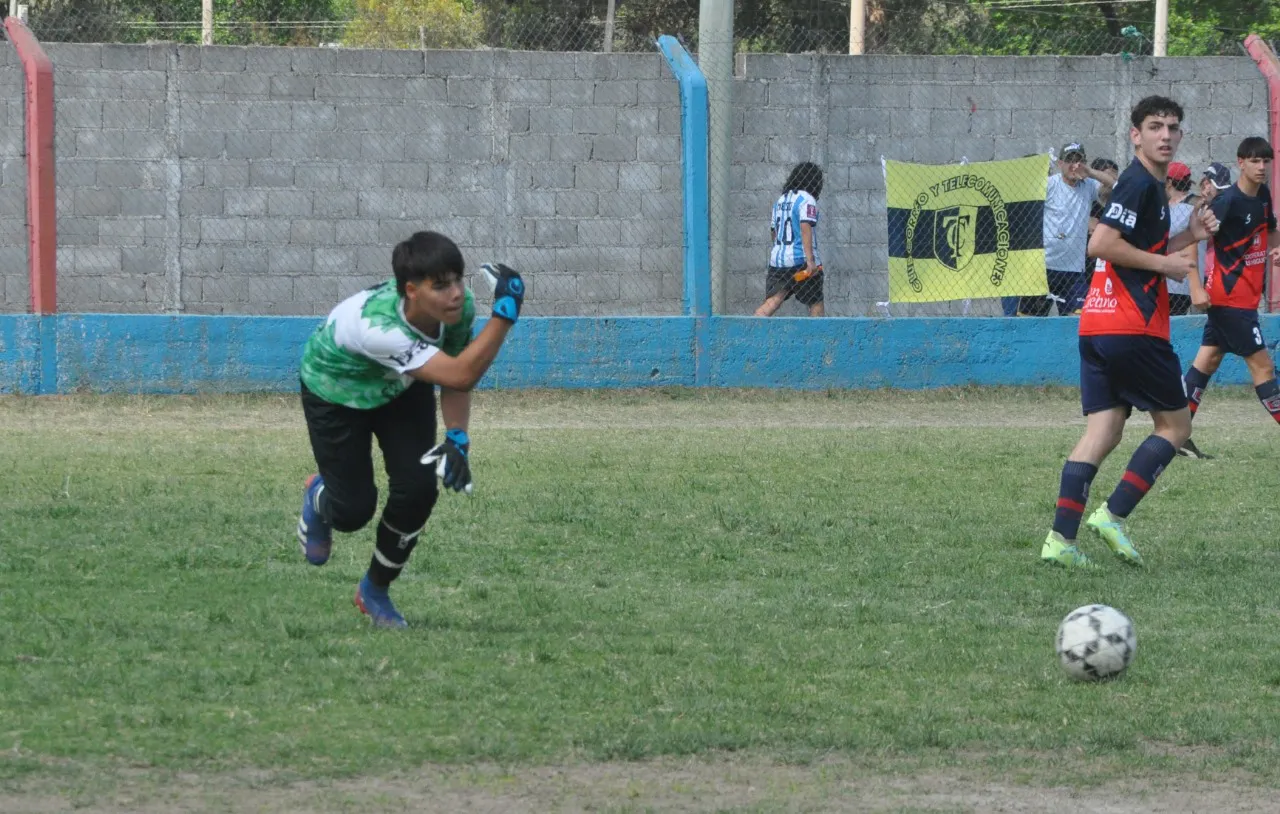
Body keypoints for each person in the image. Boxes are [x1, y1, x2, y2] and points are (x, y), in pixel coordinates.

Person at [295, 231, 525, 628]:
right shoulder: (378, 327)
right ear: (411, 290)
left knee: (419, 488)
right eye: (441, 286)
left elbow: (455, 375)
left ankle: (375, 590)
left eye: (457, 280)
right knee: (353, 512)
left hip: (400, 386)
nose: (456, 293)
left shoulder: (458, 309)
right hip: (337, 392)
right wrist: (504, 315)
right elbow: (463, 371)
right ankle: (320, 494)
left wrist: (457, 437)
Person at [1040, 96, 1218, 569]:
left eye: (1173, 128)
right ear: (1135, 135)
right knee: (1177, 426)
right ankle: (1112, 516)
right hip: (1133, 326)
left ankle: (1060, 540)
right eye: (1155, 126)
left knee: (1103, 430)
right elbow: (1101, 243)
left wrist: (1190, 239)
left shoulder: (1147, 188)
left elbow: (1140, 247)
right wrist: (1165, 263)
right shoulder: (1138, 183)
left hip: (1096, 324)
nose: (1165, 134)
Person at [1178, 138, 1280, 460]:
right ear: (1241, 162)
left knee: (1206, 362)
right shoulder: (1227, 202)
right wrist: (1195, 286)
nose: (1262, 167)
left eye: (1266, 161)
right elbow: (1190, 239)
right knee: (1263, 369)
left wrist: (1276, 248)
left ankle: (1176, 435)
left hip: (1244, 300)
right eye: (1254, 161)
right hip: (1228, 301)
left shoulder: (1262, 196)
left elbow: (1272, 230)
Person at [1019, 142, 1116, 316]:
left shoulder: (1088, 186)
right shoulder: (1049, 185)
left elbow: (1116, 186)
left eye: (1079, 160)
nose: (1074, 165)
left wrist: (1090, 172)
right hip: (1044, 267)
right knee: (1029, 321)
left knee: (1077, 322)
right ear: (1060, 163)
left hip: (1073, 270)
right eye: (1069, 160)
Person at [756, 162, 825, 317]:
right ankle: (819, 338)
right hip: (801, 261)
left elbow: (774, 231)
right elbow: (805, 226)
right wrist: (810, 261)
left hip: (779, 262)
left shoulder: (780, 201)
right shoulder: (807, 199)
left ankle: (751, 330)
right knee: (815, 302)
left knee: (772, 302)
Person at [1164, 162, 1206, 316]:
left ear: (1168, 182)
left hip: (1178, 280)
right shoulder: (1196, 204)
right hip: (1184, 279)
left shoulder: (1188, 206)